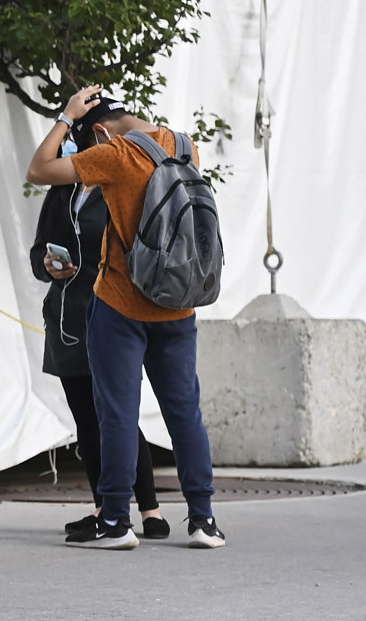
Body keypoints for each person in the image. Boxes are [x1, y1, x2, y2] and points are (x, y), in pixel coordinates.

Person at [25, 85, 224, 550]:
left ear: (97, 129)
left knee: (116, 411)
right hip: (179, 303)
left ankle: (116, 522)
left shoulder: (115, 154)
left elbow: (39, 169)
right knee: (184, 412)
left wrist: (63, 115)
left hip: (121, 304)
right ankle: (203, 520)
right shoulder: (183, 144)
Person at [28, 107, 166, 541]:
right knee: (86, 419)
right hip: (67, 315)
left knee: (118, 414)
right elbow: (37, 254)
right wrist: (49, 265)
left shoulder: (122, 181)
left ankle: (151, 510)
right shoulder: (64, 190)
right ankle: (105, 507)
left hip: (112, 310)